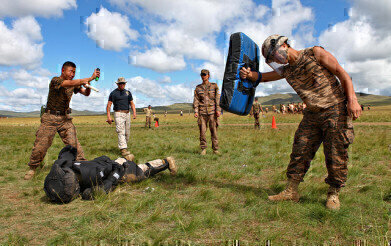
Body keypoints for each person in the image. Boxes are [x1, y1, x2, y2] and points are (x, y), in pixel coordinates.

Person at [240, 34, 362, 209]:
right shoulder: (286, 70)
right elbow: (264, 77)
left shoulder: (315, 53)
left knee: (336, 154)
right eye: (271, 58)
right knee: (300, 149)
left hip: (335, 110)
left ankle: (333, 193)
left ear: (285, 45)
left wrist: (352, 100)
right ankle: (291, 191)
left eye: (274, 55)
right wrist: (249, 74)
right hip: (312, 113)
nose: (275, 59)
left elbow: (342, 74)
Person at [24, 61, 100, 180]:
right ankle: (32, 168)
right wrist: (88, 78)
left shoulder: (74, 83)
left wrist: (88, 85)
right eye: (71, 71)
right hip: (50, 118)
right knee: (41, 146)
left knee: (74, 145)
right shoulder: (56, 81)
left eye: (74, 72)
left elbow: (85, 93)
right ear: (63, 70)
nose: (72, 74)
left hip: (65, 119)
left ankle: (82, 167)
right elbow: (69, 83)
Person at [43, 145, 177, 203]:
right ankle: (125, 159)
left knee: (137, 173)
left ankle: (165, 161)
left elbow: (112, 177)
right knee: (119, 167)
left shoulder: (92, 176)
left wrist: (114, 177)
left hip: (111, 167)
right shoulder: (66, 166)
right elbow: (68, 151)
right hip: (102, 162)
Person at [106, 77, 136, 159]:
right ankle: (123, 149)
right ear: (117, 84)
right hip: (118, 113)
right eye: (120, 83)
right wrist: (109, 117)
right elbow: (108, 105)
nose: (122, 85)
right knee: (120, 131)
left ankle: (124, 147)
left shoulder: (128, 93)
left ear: (125, 84)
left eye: (123, 83)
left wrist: (134, 113)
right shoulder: (113, 93)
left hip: (127, 113)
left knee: (127, 132)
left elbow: (132, 103)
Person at [193, 69, 221, 155]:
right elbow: (196, 100)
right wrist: (196, 111)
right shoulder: (198, 88)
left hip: (212, 112)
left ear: (208, 75)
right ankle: (203, 149)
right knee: (202, 132)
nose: (203, 76)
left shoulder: (214, 86)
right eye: (202, 74)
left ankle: (215, 149)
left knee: (214, 132)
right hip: (202, 113)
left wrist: (218, 110)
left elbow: (217, 99)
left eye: (205, 74)